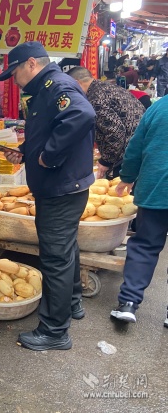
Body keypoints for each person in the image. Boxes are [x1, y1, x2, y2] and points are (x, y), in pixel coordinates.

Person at [0, 42, 95, 351]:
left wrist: (48, 156)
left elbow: (81, 114)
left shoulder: (56, 86)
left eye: (14, 73)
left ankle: (54, 331)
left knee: (55, 258)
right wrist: (27, 150)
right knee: (66, 250)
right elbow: (51, 129)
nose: (14, 81)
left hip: (60, 188)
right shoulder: (46, 89)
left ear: (31, 64)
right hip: (63, 186)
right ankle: (72, 303)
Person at [110, 95, 168, 324]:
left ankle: (128, 303)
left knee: (145, 246)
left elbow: (135, 147)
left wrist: (127, 176)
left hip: (155, 188)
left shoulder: (158, 108)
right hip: (155, 188)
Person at [67, 67, 145, 179]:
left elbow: (116, 133)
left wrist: (106, 161)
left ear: (76, 83)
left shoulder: (95, 99)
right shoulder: (108, 87)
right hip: (141, 145)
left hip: (129, 153)